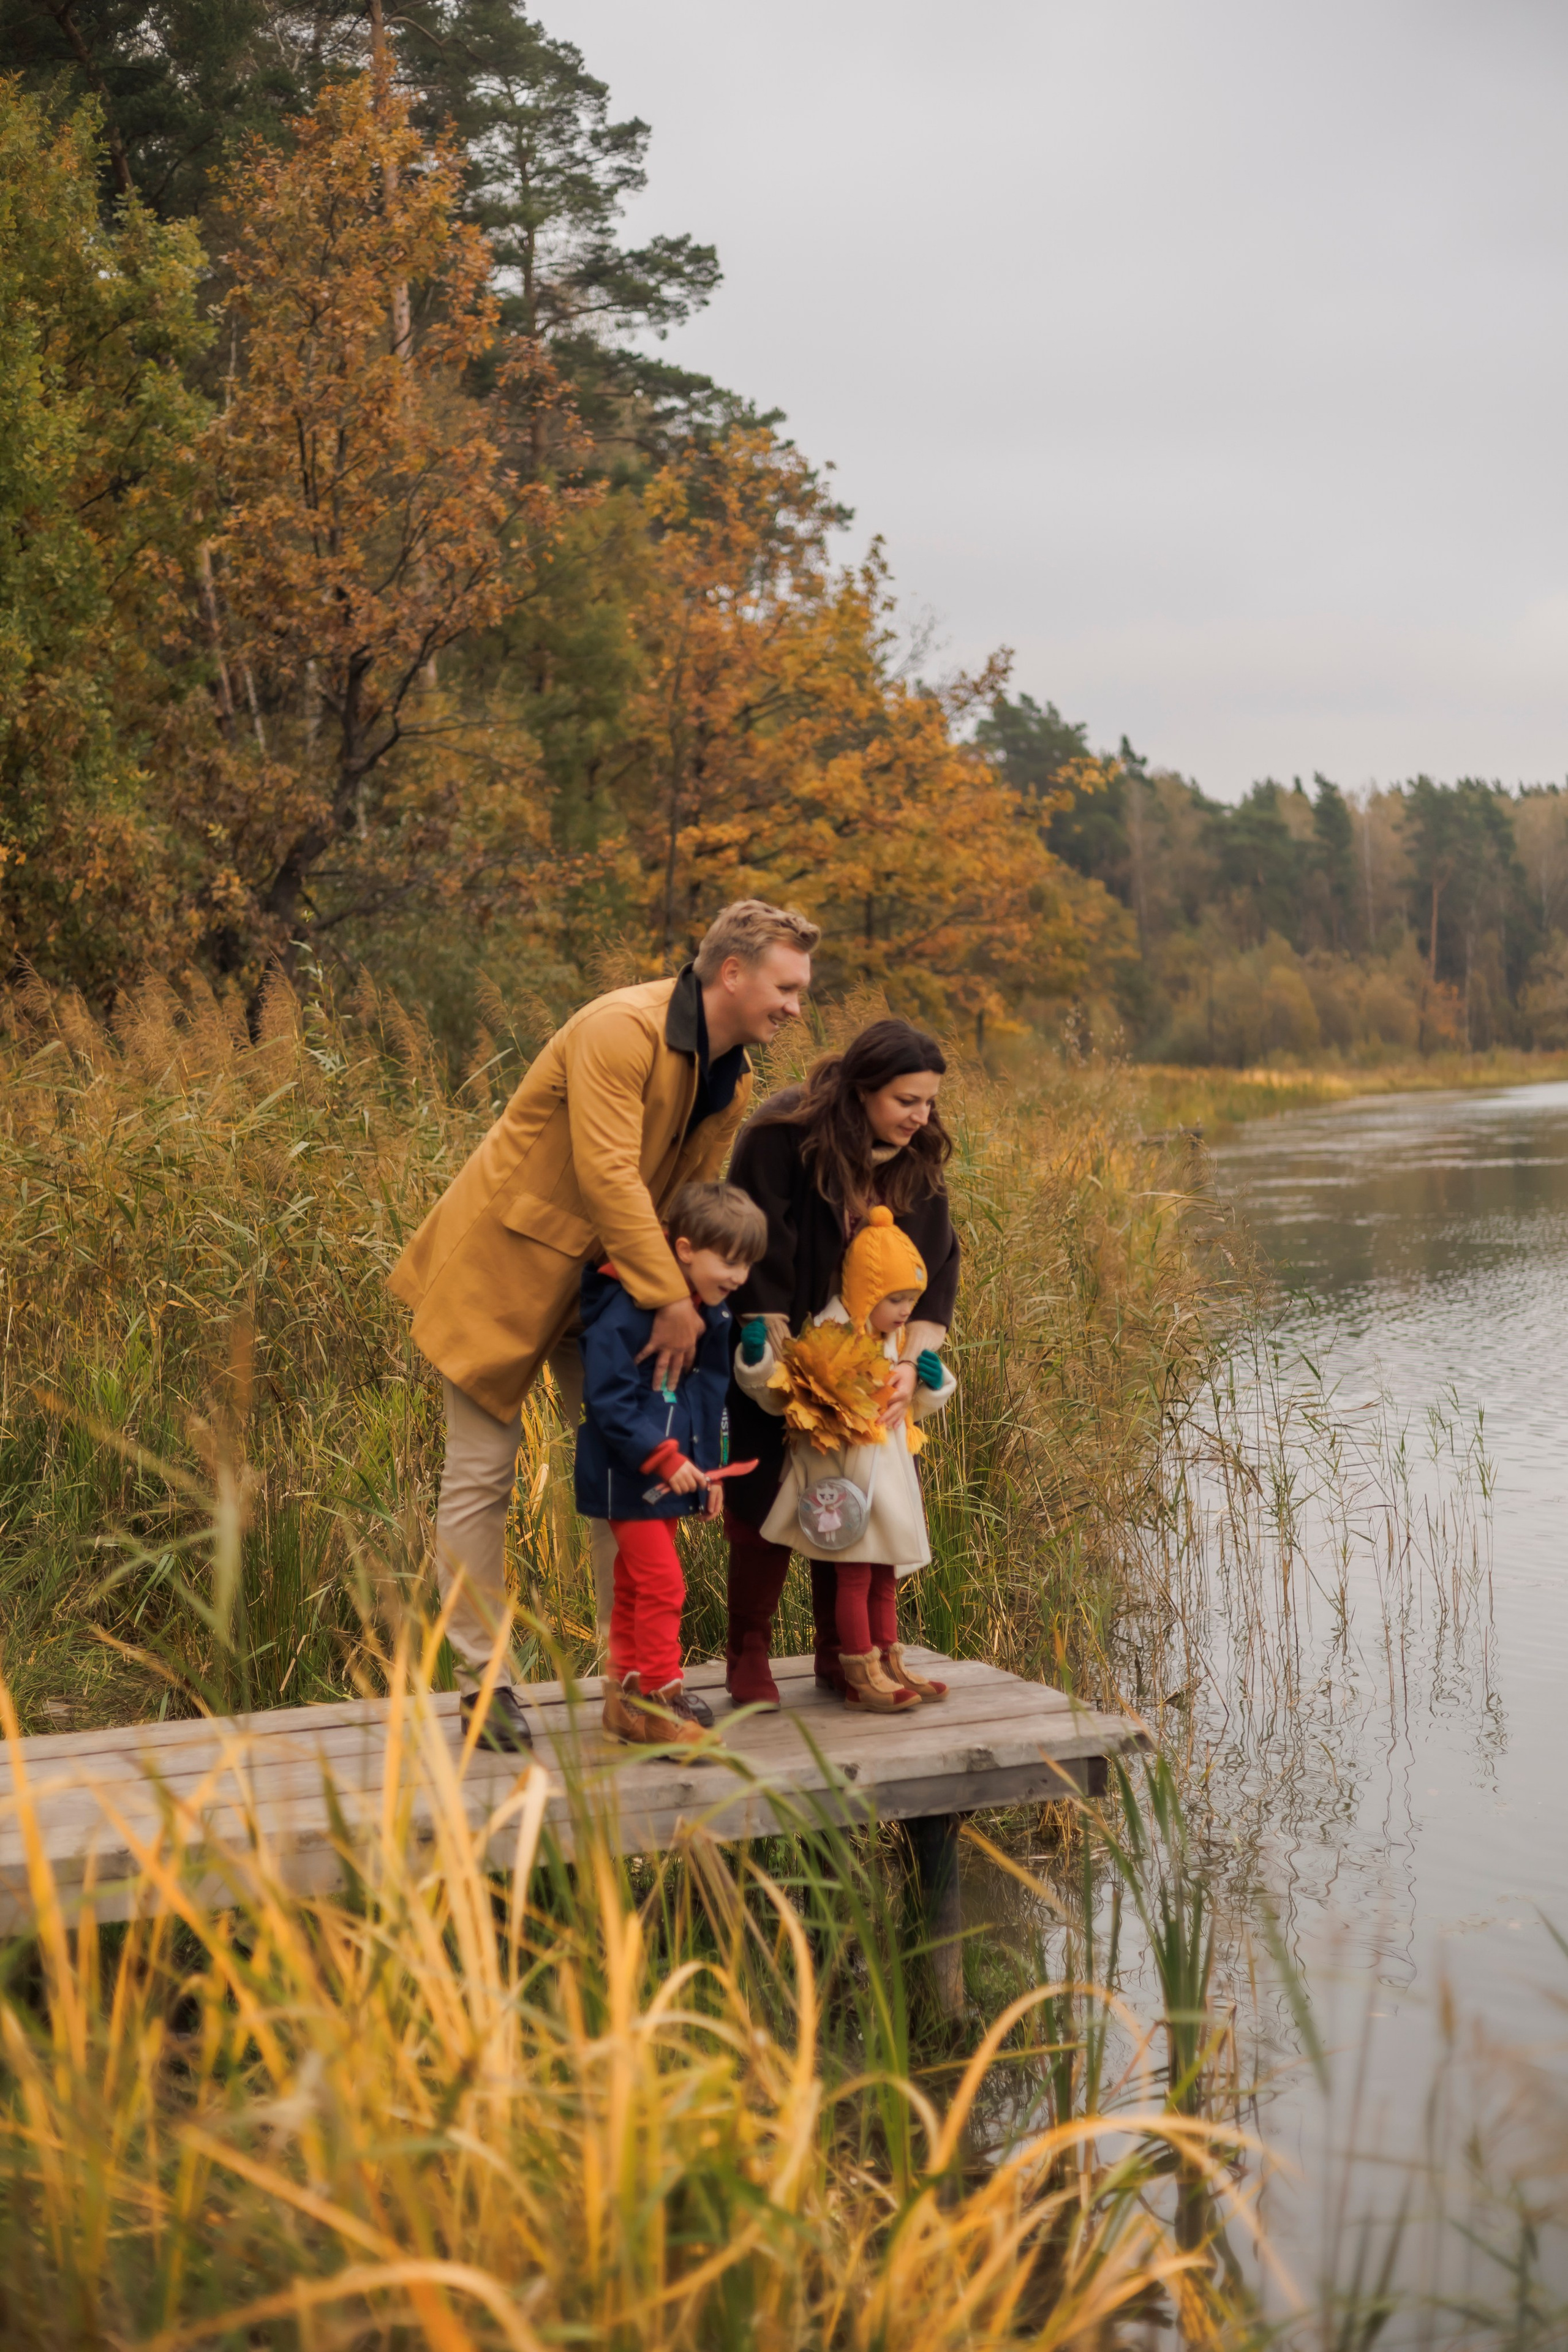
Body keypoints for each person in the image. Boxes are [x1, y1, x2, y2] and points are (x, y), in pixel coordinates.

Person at [389, 899, 818, 1751]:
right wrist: (670, 1300)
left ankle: (633, 1686)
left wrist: (689, 1300)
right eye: (788, 986)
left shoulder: (725, 1067)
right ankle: (485, 1690)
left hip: (618, 1289)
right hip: (507, 1267)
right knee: (482, 1475)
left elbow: (683, 1198)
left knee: (636, 1475)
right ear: (732, 972)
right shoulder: (622, 1029)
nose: (796, 1007)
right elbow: (609, 1173)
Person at [722, 1019, 960, 1706]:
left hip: (874, 1364)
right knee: (762, 1503)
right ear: (862, 1090)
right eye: (906, 1100)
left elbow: (936, 1265)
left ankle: (840, 1658)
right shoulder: (781, 1138)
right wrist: (776, 1370)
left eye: (928, 1102)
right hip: (781, 1342)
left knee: (855, 1503)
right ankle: (748, 1653)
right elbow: (756, 1250)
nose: (921, 1117)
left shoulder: (915, 1158)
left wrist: (912, 1365)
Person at [734, 1206, 957, 1709]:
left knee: (882, 1575)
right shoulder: (827, 1339)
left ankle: (886, 1659)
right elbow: (781, 1394)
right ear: (865, 1292)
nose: (906, 1311)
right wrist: (757, 1362)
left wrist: (932, 1379)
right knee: (855, 1575)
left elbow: (914, 1407)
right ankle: (858, 1665)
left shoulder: (893, 1344)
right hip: (843, 1487)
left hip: (888, 1481)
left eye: (912, 1300)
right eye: (896, 1299)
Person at [575, 1180, 767, 1751]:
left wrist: (708, 1471)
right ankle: (662, 1699)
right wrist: (660, 1458)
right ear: (684, 1250)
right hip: (626, 1474)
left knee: (637, 1585)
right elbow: (608, 1398)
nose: (737, 1276)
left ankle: (625, 1701)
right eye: (728, 1261)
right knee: (664, 1583)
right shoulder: (625, 1305)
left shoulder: (715, 1314)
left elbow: (709, 1399)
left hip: (670, 1473)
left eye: (746, 1264)